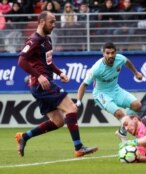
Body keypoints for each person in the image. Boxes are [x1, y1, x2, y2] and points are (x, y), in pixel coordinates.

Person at [16, 11, 98, 158]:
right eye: (51, 22)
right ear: (41, 22)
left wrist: (59, 73)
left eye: (54, 22)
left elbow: (48, 62)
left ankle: (24, 136)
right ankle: (79, 147)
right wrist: (39, 76)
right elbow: (21, 60)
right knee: (71, 108)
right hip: (42, 84)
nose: (54, 25)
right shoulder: (34, 40)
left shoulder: (47, 40)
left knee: (58, 121)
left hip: (42, 84)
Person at [76, 42, 142, 142]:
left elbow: (126, 61)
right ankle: (125, 143)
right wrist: (78, 103)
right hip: (101, 94)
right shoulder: (96, 68)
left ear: (115, 53)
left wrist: (136, 72)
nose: (110, 55)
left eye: (112, 53)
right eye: (107, 53)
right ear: (103, 54)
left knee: (137, 105)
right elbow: (83, 85)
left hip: (116, 90)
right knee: (120, 114)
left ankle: (122, 131)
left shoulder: (120, 58)